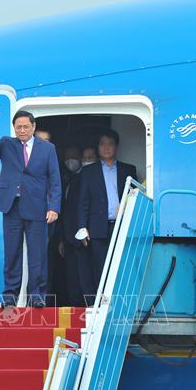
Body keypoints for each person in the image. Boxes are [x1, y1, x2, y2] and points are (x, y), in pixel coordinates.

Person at [0, 102, 61, 312]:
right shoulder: (7, 144)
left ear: (33, 127)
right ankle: (10, 297)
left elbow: (55, 180)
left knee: (38, 254)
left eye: (26, 126)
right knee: (12, 254)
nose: (22, 130)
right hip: (12, 207)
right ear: (14, 128)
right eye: (18, 127)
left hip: (37, 207)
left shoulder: (48, 148)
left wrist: (54, 207)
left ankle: (37, 296)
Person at [76, 130, 137, 304]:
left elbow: (136, 196)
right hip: (98, 228)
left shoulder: (129, 170)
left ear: (116, 146)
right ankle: (102, 304)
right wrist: (82, 227)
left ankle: (121, 303)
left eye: (110, 143)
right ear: (98, 147)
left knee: (122, 266)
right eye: (102, 144)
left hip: (122, 226)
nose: (106, 147)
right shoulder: (88, 172)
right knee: (100, 268)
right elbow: (82, 202)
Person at [58, 146, 98, 307]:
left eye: (90, 158)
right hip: (71, 236)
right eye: (84, 158)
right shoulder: (72, 179)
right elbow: (66, 210)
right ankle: (76, 306)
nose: (86, 161)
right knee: (74, 276)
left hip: (89, 236)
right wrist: (63, 238)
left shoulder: (89, 179)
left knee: (88, 274)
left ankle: (90, 306)